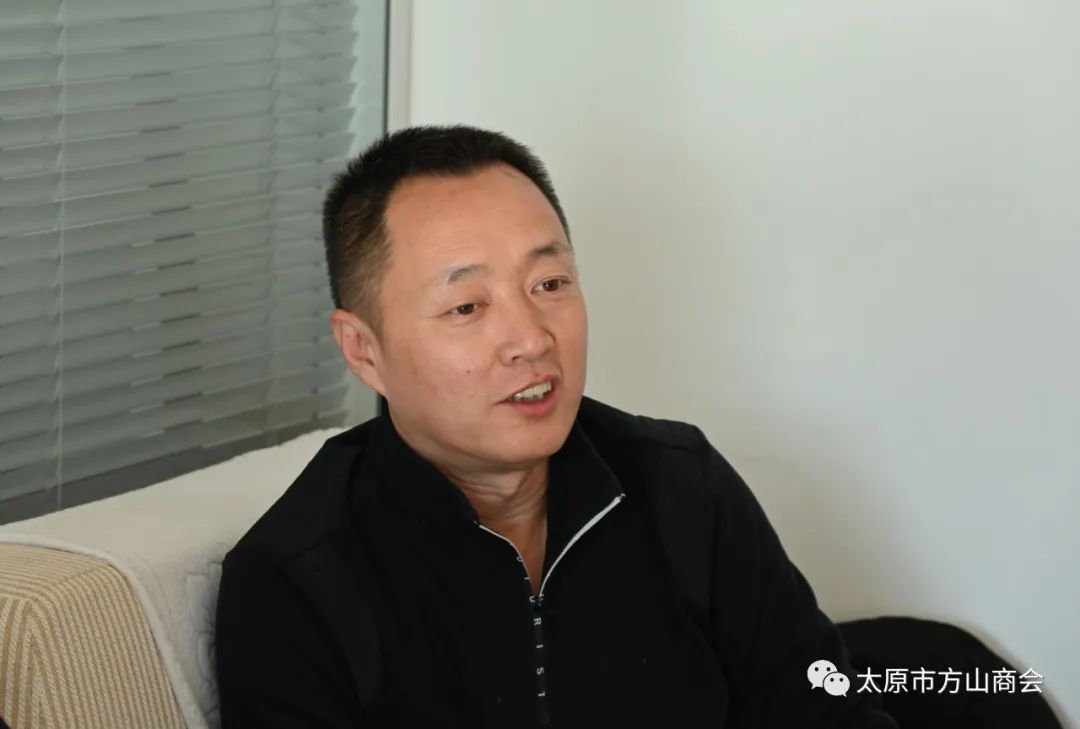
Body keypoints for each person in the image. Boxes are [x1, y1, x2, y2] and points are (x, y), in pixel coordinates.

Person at [214, 124, 898, 728]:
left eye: (549, 284)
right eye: (466, 306)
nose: (531, 339)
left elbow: (826, 710)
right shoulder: (296, 581)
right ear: (364, 350)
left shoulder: (682, 485)